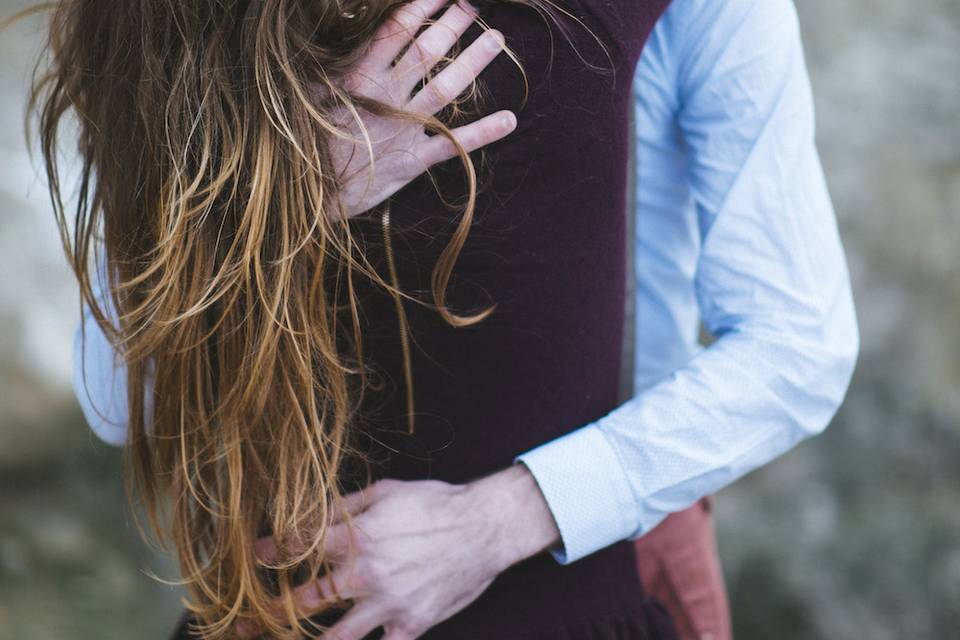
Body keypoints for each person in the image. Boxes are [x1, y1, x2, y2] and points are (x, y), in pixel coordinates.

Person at [66, 1, 859, 640]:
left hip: (632, 504)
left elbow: (798, 344)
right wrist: (288, 194)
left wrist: (501, 518)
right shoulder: (187, 29)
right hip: (303, 573)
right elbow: (119, 403)